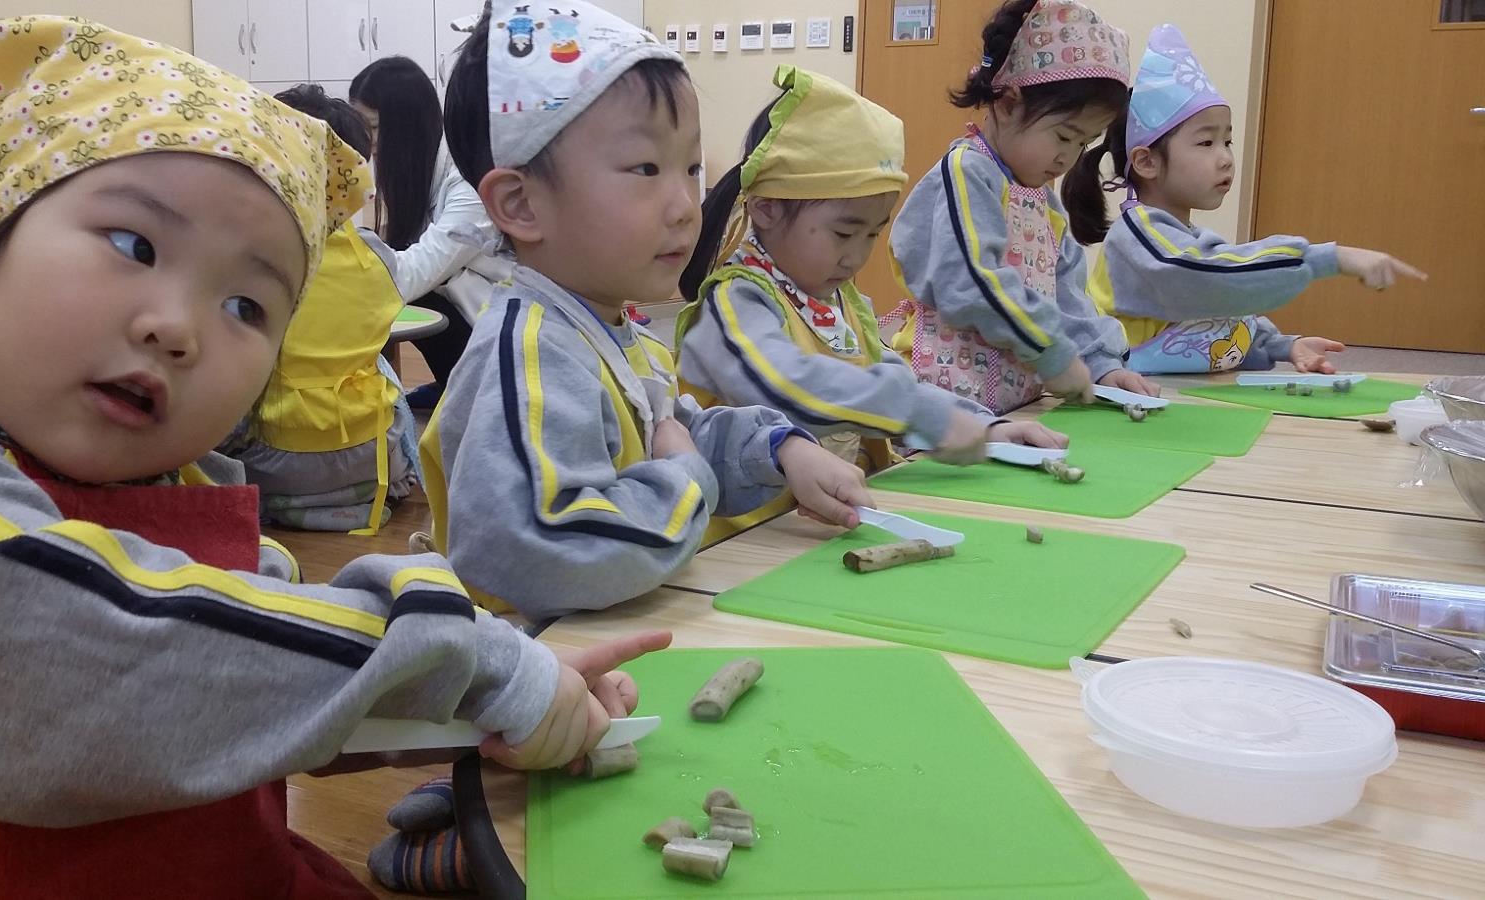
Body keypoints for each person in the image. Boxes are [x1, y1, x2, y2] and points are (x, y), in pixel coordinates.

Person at [0, 17, 655, 896]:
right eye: (135, 245)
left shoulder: (192, 492)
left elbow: (241, 693)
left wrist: (471, 709)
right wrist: (473, 664)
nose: (176, 328)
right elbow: (119, 648)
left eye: (247, 307)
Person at [418, 1, 875, 622]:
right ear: (522, 205)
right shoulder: (527, 360)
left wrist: (777, 451)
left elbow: (671, 428)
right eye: (645, 168)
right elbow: (548, 546)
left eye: (690, 168)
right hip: (552, 675)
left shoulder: (611, 328)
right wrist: (687, 478)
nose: (687, 204)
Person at [676, 64, 1067, 482]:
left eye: (872, 234)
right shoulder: (734, 302)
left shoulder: (838, 298)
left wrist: (987, 427)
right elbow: (787, 385)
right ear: (767, 208)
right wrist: (911, 412)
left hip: (838, 510)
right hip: (757, 534)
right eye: (844, 232)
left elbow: (892, 376)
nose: (856, 257)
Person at [1061, 23, 1425, 375]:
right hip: (1131, 399)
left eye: (1227, 141)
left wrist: (1282, 344)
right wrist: (1325, 259)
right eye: (1206, 142)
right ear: (1146, 161)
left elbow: (1218, 306)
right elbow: (1213, 278)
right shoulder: (1137, 236)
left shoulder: (1188, 237)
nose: (1225, 157)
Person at [890, 0, 1158, 416]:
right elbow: (973, 284)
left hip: (1015, 412)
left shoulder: (1043, 202)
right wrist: (1048, 352)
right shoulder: (966, 175)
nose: (1068, 157)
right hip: (944, 408)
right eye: (1064, 136)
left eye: (1082, 143)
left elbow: (1068, 298)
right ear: (1009, 103)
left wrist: (1100, 364)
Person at [222, 83, 421, 533]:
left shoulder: (256, 254)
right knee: (381, 372)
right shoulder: (375, 252)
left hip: (274, 457)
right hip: (369, 456)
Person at [350, 55, 506, 411]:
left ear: (406, 126)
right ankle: (451, 381)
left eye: (372, 128)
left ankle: (466, 385)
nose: (364, 142)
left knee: (408, 292)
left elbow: (416, 270)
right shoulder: (416, 166)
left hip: (492, 317)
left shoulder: (469, 179)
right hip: (463, 297)